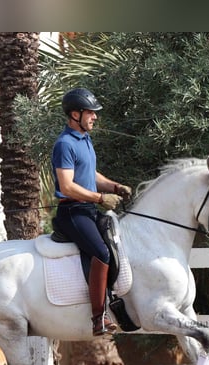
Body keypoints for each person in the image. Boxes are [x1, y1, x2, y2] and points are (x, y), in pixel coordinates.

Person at [51, 87, 132, 336]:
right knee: (101, 251)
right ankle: (98, 318)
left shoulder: (84, 140)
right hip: (72, 212)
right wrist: (100, 197)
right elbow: (67, 185)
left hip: (87, 209)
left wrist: (114, 186)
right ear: (75, 114)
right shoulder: (64, 144)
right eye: (90, 113)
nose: (95, 117)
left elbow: (90, 175)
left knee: (117, 242)